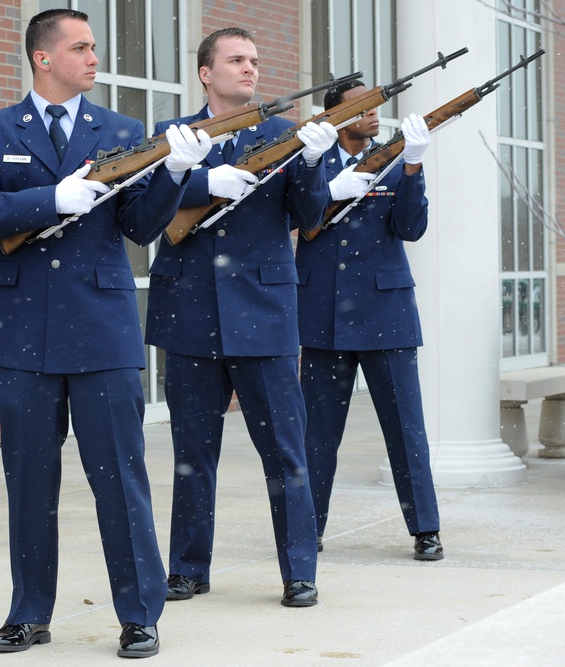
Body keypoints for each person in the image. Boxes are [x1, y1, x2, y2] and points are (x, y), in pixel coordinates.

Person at [0, 9, 212, 659]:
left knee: (121, 480)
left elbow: (142, 225)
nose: (95, 57)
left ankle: (139, 612)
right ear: (44, 58)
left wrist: (177, 173)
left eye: (94, 47)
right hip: (22, 334)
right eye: (82, 47)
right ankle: (29, 611)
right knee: (30, 482)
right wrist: (51, 200)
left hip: (99, 329)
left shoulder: (120, 131)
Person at [145, 27, 339, 608]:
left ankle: (299, 569)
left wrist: (311, 160)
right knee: (192, 452)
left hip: (265, 314)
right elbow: (144, 210)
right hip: (190, 311)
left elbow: (311, 218)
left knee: (285, 451)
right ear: (206, 72)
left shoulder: (286, 135)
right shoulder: (173, 137)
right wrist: (200, 178)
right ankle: (187, 567)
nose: (249, 68)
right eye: (236, 59)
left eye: (254, 59)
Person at [295, 79, 444, 561]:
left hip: (386, 314)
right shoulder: (310, 164)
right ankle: (307, 527)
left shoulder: (394, 160)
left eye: (378, 106)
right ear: (334, 114)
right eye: (362, 106)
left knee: (405, 427)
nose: (375, 114)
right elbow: (297, 222)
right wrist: (327, 190)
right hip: (323, 313)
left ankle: (425, 528)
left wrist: (415, 164)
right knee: (317, 433)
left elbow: (411, 229)